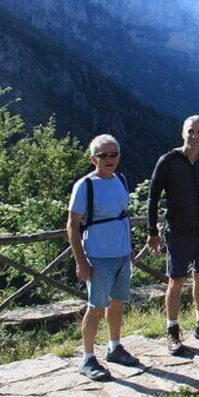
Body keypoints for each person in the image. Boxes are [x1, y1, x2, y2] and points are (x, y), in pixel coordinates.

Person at [146, 116, 199, 355]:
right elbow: (153, 196)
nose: (195, 136)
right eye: (191, 131)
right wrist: (152, 231)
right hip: (178, 231)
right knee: (176, 280)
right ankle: (172, 329)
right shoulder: (169, 161)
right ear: (183, 133)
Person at [67, 134, 138, 381]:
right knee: (96, 307)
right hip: (98, 255)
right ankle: (87, 358)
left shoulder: (120, 180)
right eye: (103, 155)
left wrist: (130, 248)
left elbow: (124, 215)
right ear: (93, 159)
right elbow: (72, 225)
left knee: (117, 303)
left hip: (121, 253)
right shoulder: (84, 186)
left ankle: (114, 347)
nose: (109, 159)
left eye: (114, 154)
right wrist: (81, 261)